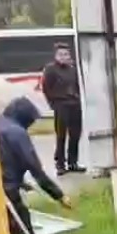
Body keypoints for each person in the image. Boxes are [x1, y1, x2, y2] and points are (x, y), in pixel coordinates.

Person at [0, 97, 73, 234]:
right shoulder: (17, 133)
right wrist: (59, 196)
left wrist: (22, 183)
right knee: (22, 223)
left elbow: (4, 160)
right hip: (7, 190)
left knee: (6, 226)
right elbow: (36, 170)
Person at [42, 43, 85, 175]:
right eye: (61, 54)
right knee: (61, 135)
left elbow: (78, 86)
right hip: (61, 105)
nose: (64, 57)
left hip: (74, 104)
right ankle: (60, 164)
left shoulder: (72, 69)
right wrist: (53, 104)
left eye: (66, 54)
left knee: (75, 135)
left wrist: (78, 99)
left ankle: (73, 162)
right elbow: (46, 88)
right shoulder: (50, 69)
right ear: (56, 56)